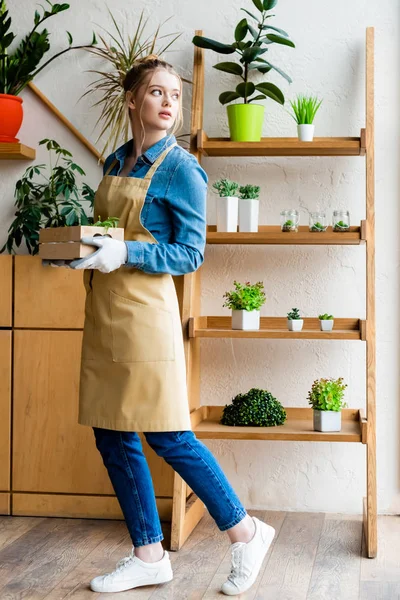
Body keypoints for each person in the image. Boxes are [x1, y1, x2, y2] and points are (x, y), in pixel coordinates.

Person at [68, 54, 275, 596]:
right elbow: (113, 233)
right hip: (106, 311)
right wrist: (87, 251)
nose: (167, 102)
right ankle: (149, 554)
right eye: (156, 93)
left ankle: (246, 532)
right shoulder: (116, 162)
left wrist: (126, 251)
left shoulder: (182, 169)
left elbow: (190, 253)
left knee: (168, 434)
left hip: (146, 318)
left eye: (175, 95)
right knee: (112, 434)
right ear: (132, 101)